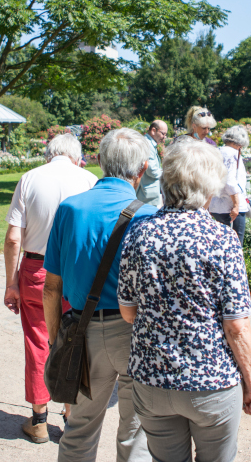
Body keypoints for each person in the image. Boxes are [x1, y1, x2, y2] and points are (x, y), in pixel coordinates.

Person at [118, 140, 251, 461]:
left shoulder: (138, 232)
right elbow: (237, 326)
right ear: (209, 187)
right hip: (210, 383)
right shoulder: (223, 238)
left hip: (152, 380)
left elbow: (128, 312)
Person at [43, 128, 156, 462]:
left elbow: (51, 286)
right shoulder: (149, 217)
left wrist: (55, 340)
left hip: (83, 331)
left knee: (79, 428)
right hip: (134, 333)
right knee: (135, 433)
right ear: (143, 168)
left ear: (100, 161)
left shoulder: (70, 209)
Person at [2, 133, 98, 443]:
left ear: (49, 155)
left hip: (36, 269)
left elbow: (14, 238)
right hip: (75, 270)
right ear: (76, 156)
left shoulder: (29, 178)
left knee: (37, 341)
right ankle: (71, 413)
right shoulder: (87, 179)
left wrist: (11, 282)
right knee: (74, 339)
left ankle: (39, 418)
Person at [210, 125, 250, 241]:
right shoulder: (232, 153)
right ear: (239, 143)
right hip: (230, 207)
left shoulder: (217, 151)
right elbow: (229, 181)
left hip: (217, 205)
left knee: (221, 243)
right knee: (236, 244)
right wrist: (236, 205)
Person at [136, 120, 167, 207]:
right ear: (153, 130)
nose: (164, 137)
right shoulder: (147, 144)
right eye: (163, 133)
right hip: (147, 196)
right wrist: (167, 173)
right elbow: (151, 170)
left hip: (148, 193)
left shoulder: (149, 143)